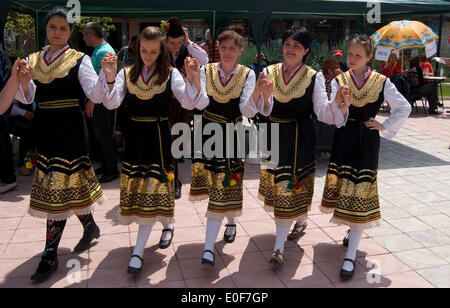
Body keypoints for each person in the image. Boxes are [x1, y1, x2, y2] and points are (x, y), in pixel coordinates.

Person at [10, 7, 107, 282]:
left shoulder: (80, 60)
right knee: (69, 187)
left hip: (71, 129)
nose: (57, 33)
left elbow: (94, 94)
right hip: (44, 128)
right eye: (53, 27)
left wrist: (107, 77)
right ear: (46, 29)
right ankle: (90, 226)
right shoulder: (33, 58)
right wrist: (25, 81)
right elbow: (28, 98)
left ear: (71, 32)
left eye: (63, 28)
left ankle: (49, 254)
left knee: (58, 189)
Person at [97, 26, 203, 274]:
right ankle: (166, 225)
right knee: (143, 188)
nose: (147, 55)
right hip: (135, 137)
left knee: (158, 185)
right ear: (137, 48)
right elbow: (112, 102)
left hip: (158, 135)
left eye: (153, 51)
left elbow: (189, 102)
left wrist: (193, 79)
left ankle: (139, 251)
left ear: (161, 50)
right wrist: (110, 77)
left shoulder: (170, 74)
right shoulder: (126, 73)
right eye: (143, 50)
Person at [257, 27, 352, 266]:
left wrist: (339, 104)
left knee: (289, 186)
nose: (290, 49)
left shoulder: (314, 76)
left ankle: (278, 248)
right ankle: (300, 221)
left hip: (300, 136)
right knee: (281, 187)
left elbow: (322, 111)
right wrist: (263, 94)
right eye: (288, 44)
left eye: (297, 46)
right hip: (274, 134)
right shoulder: (269, 71)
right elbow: (258, 107)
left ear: (306, 50)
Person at [321, 35, 411, 280]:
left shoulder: (382, 81)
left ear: (370, 57)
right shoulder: (340, 79)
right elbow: (333, 115)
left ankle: (350, 255)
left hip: (367, 140)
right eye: (350, 54)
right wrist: (343, 105)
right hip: (344, 137)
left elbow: (404, 107)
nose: (352, 59)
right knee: (346, 187)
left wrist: (386, 125)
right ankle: (353, 231)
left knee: (361, 188)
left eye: (358, 55)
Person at [188, 26, 270, 266]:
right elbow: (200, 103)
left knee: (226, 183)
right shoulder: (206, 69)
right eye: (223, 47)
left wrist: (257, 91)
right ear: (217, 49)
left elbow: (246, 110)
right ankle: (230, 223)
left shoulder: (247, 74)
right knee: (216, 184)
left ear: (240, 51)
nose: (226, 52)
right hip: (207, 131)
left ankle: (208, 248)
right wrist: (193, 78)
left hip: (232, 132)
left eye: (232, 48)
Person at [165, 16, 209, 200]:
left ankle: (173, 176)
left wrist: (188, 41)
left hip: (184, 102)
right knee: (168, 141)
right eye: (171, 43)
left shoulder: (188, 50)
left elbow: (204, 59)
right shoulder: (160, 52)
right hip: (165, 103)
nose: (175, 47)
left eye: (178, 42)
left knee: (178, 140)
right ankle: (173, 180)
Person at [83, 22, 119, 183]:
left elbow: (102, 79)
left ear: (90, 35)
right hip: (99, 100)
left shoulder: (104, 51)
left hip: (102, 102)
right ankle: (106, 165)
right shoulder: (100, 50)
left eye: (84, 35)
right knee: (100, 134)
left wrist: (92, 100)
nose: (83, 38)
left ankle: (111, 169)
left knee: (104, 135)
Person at [8, 100, 35, 176]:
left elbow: (33, 103)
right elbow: (8, 107)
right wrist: (24, 113)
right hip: (11, 117)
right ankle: (24, 164)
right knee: (27, 130)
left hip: (29, 115)